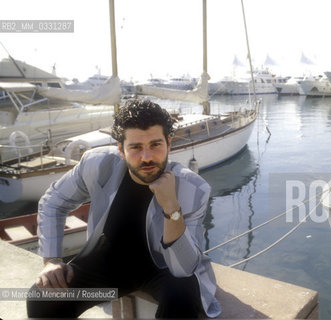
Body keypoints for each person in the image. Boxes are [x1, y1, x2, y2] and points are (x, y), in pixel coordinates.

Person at [26, 98, 221, 318]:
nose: (147, 157)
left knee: (183, 301)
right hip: (106, 262)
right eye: (136, 147)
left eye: (155, 145)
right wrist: (52, 260)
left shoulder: (193, 188)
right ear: (121, 148)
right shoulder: (97, 164)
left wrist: (171, 206)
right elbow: (53, 202)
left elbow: (184, 268)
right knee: (42, 297)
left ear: (169, 143)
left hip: (163, 269)